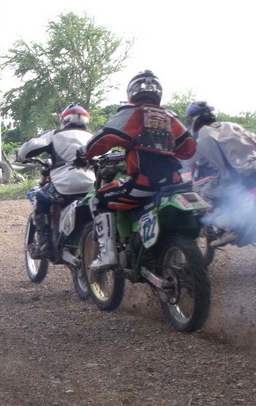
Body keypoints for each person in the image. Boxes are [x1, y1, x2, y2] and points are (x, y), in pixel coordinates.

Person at [77, 70, 196, 269]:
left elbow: (105, 137)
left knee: (98, 199)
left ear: (132, 91)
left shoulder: (133, 112)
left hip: (143, 185)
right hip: (174, 185)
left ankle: (107, 255)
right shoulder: (170, 117)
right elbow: (189, 148)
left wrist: (83, 154)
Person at [185, 100, 256, 246]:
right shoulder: (232, 125)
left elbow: (186, 160)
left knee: (204, 195)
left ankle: (229, 229)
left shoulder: (200, 136)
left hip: (237, 177)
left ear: (194, 119)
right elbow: (254, 139)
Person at [15, 104, 95, 258]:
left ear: (64, 120)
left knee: (40, 198)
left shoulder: (55, 134)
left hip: (65, 188)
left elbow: (28, 149)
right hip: (93, 187)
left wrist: (20, 157)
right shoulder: (94, 137)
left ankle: (45, 243)